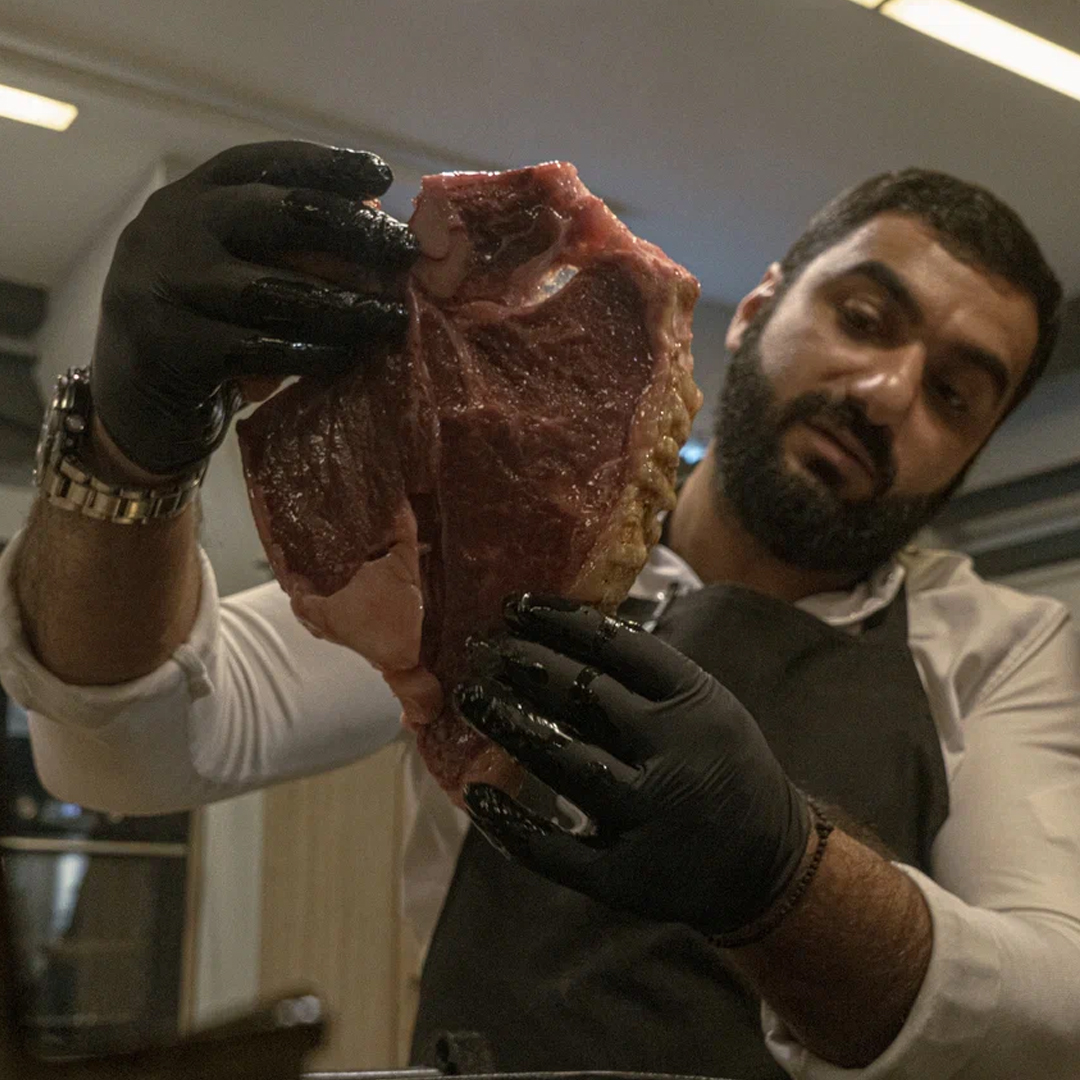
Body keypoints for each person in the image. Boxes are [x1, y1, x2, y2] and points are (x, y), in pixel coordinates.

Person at [1, 141, 1078, 1079]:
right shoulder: (501, 543)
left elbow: (1056, 1014)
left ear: (972, 456)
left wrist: (783, 873)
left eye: (954, 395)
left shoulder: (1001, 648)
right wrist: (131, 445)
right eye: (863, 319)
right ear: (756, 311)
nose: (886, 394)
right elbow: (128, 749)